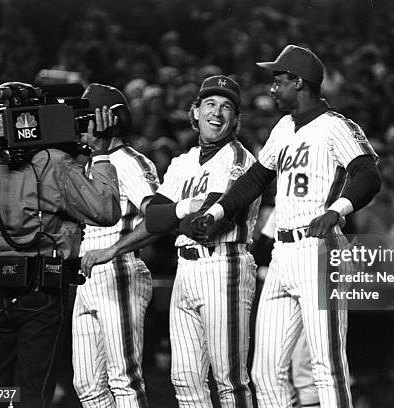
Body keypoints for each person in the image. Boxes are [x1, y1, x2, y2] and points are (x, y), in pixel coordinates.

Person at [194, 44, 381, 408]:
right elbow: (254, 180)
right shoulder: (283, 127)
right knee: (265, 372)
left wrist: (338, 209)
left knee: (326, 366)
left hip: (318, 247)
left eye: (279, 81)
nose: (272, 88)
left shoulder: (335, 126)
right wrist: (216, 214)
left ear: (299, 82)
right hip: (282, 252)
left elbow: (368, 174)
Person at [0, 81, 121, 408]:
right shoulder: (54, 162)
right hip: (41, 291)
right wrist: (100, 155)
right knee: (32, 388)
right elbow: (106, 211)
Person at [144, 75, 260, 407]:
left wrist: (176, 216)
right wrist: (185, 207)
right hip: (186, 270)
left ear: (236, 119)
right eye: (210, 104)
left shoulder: (239, 160)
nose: (217, 113)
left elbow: (205, 225)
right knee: (185, 381)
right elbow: (152, 218)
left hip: (223, 265)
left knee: (229, 380)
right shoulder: (182, 162)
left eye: (226, 107)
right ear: (195, 112)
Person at [70, 83, 159, 408]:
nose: (79, 125)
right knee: (87, 385)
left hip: (119, 270)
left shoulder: (129, 161)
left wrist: (112, 251)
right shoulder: (91, 161)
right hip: (85, 277)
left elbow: (159, 218)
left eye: (85, 117)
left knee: (123, 379)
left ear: (109, 119)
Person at [251, 208, 320, 408]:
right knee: (275, 370)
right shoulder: (281, 206)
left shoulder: (323, 196)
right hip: (284, 291)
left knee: (305, 370)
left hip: (314, 276)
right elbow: (260, 250)